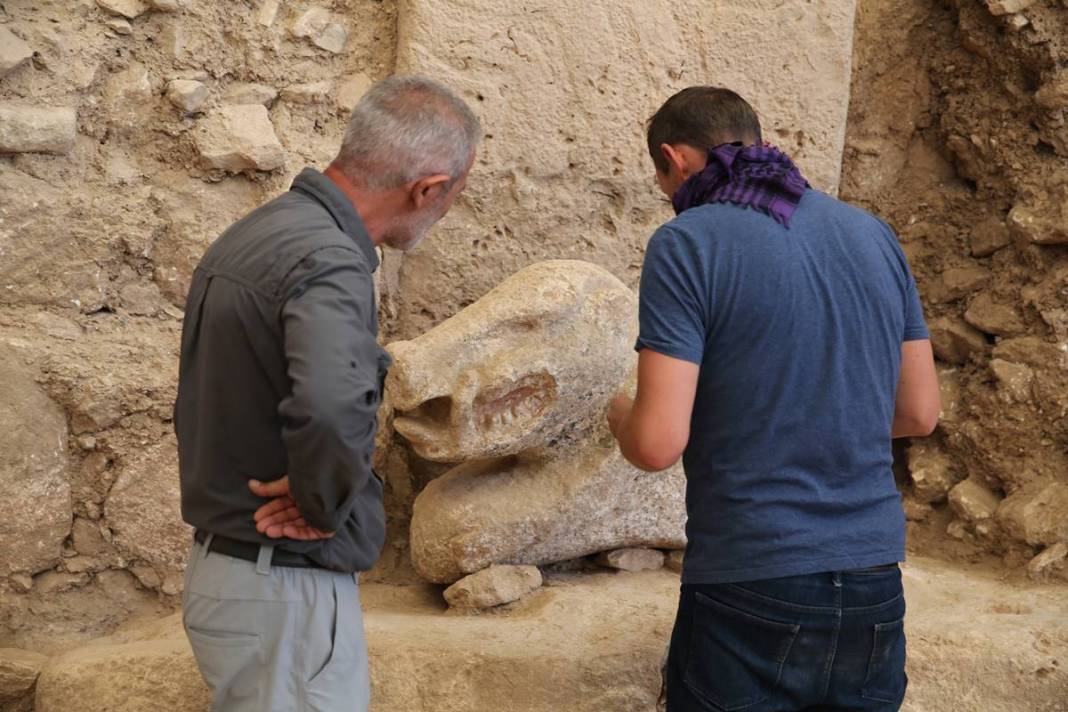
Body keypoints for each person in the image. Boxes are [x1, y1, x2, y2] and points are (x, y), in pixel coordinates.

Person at [607, 87, 940, 712]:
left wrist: (621, 415)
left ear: (674, 160)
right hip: (873, 583)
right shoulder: (872, 235)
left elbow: (655, 444)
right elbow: (919, 412)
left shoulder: (687, 243)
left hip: (750, 579)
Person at [174, 75, 480, 712]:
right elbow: (331, 405)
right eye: (452, 197)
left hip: (240, 574)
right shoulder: (329, 258)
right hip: (282, 584)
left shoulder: (265, 232)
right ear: (428, 188)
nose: (446, 212)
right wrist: (320, 501)